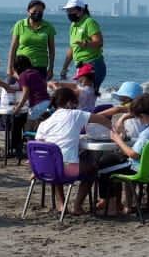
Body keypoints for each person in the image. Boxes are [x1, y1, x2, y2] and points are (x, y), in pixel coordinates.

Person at [30, 87, 117, 215]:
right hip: (67, 171)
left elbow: (40, 148)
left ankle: (61, 204)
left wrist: (34, 169)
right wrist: (115, 131)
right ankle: (77, 206)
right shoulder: (76, 114)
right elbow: (102, 119)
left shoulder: (44, 123)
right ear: (70, 102)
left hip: (45, 170)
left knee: (55, 161)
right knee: (92, 168)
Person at [88, 92, 149, 216]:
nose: (137, 119)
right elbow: (136, 112)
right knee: (111, 160)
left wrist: (118, 140)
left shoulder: (147, 133)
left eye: (138, 117)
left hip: (138, 168)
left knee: (103, 167)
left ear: (143, 115)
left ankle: (111, 208)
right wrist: (123, 118)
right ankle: (117, 203)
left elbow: (133, 154)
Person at [6, 54, 51, 161]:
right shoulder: (35, 73)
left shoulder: (23, 76)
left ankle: (29, 152)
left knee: (27, 130)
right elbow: (40, 87)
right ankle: (33, 150)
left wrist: (17, 108)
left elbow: (26, 93)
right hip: (47, 103)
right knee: (36, 128)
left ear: (17, 67)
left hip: (37, 105)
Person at [58, 0, 106, 89]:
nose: (69, 13)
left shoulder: (89, 22)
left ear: (81, 10)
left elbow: (99, 42)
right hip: (81, 65)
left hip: (92, 64)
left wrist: (85, 43)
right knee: (83, 95)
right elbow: (72, 48)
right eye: (67, 11)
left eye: (71, 10)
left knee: (86, 94)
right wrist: (64, 68)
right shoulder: (73, 25)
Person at [7, 0, 58, 80]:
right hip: (21, 66)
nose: (37, 13)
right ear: (28, 11)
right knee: (13, 89)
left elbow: (52, 51)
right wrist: (9, 68)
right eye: (34, 11)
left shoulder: (48, 27)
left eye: (40, 11)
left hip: (40, 66)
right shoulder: (19, 25)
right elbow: (13, 48)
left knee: (37, 91)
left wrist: (51, 69)